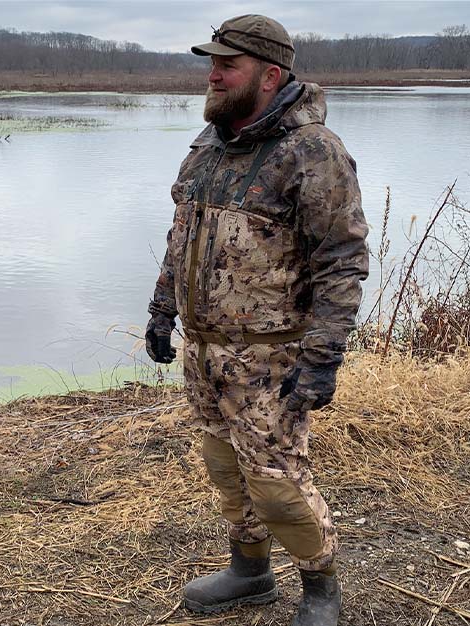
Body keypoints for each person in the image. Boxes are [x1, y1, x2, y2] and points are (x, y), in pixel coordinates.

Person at [144, 14, 369, 626]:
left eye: (227, 65)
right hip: (205, 349)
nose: (213, 75)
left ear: (270, 76)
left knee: (277, 482)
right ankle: (250, 570)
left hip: (272, 356)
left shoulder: (313, 153)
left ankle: (320, 589)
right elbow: (180, 238)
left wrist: (322, 358)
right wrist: (163, 311)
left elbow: (342, 263)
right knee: (224, 463)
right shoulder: (207, 147)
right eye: (212, 64)